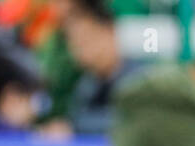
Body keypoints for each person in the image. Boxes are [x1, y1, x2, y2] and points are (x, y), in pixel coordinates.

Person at [39, 0, 142, 137]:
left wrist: (73, 128)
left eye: (87, 40)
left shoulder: (138, 80)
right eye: (76, 44)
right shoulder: (87, 84)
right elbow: (76, 116)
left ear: (110, 31)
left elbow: (129, 120)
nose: (82, 52)